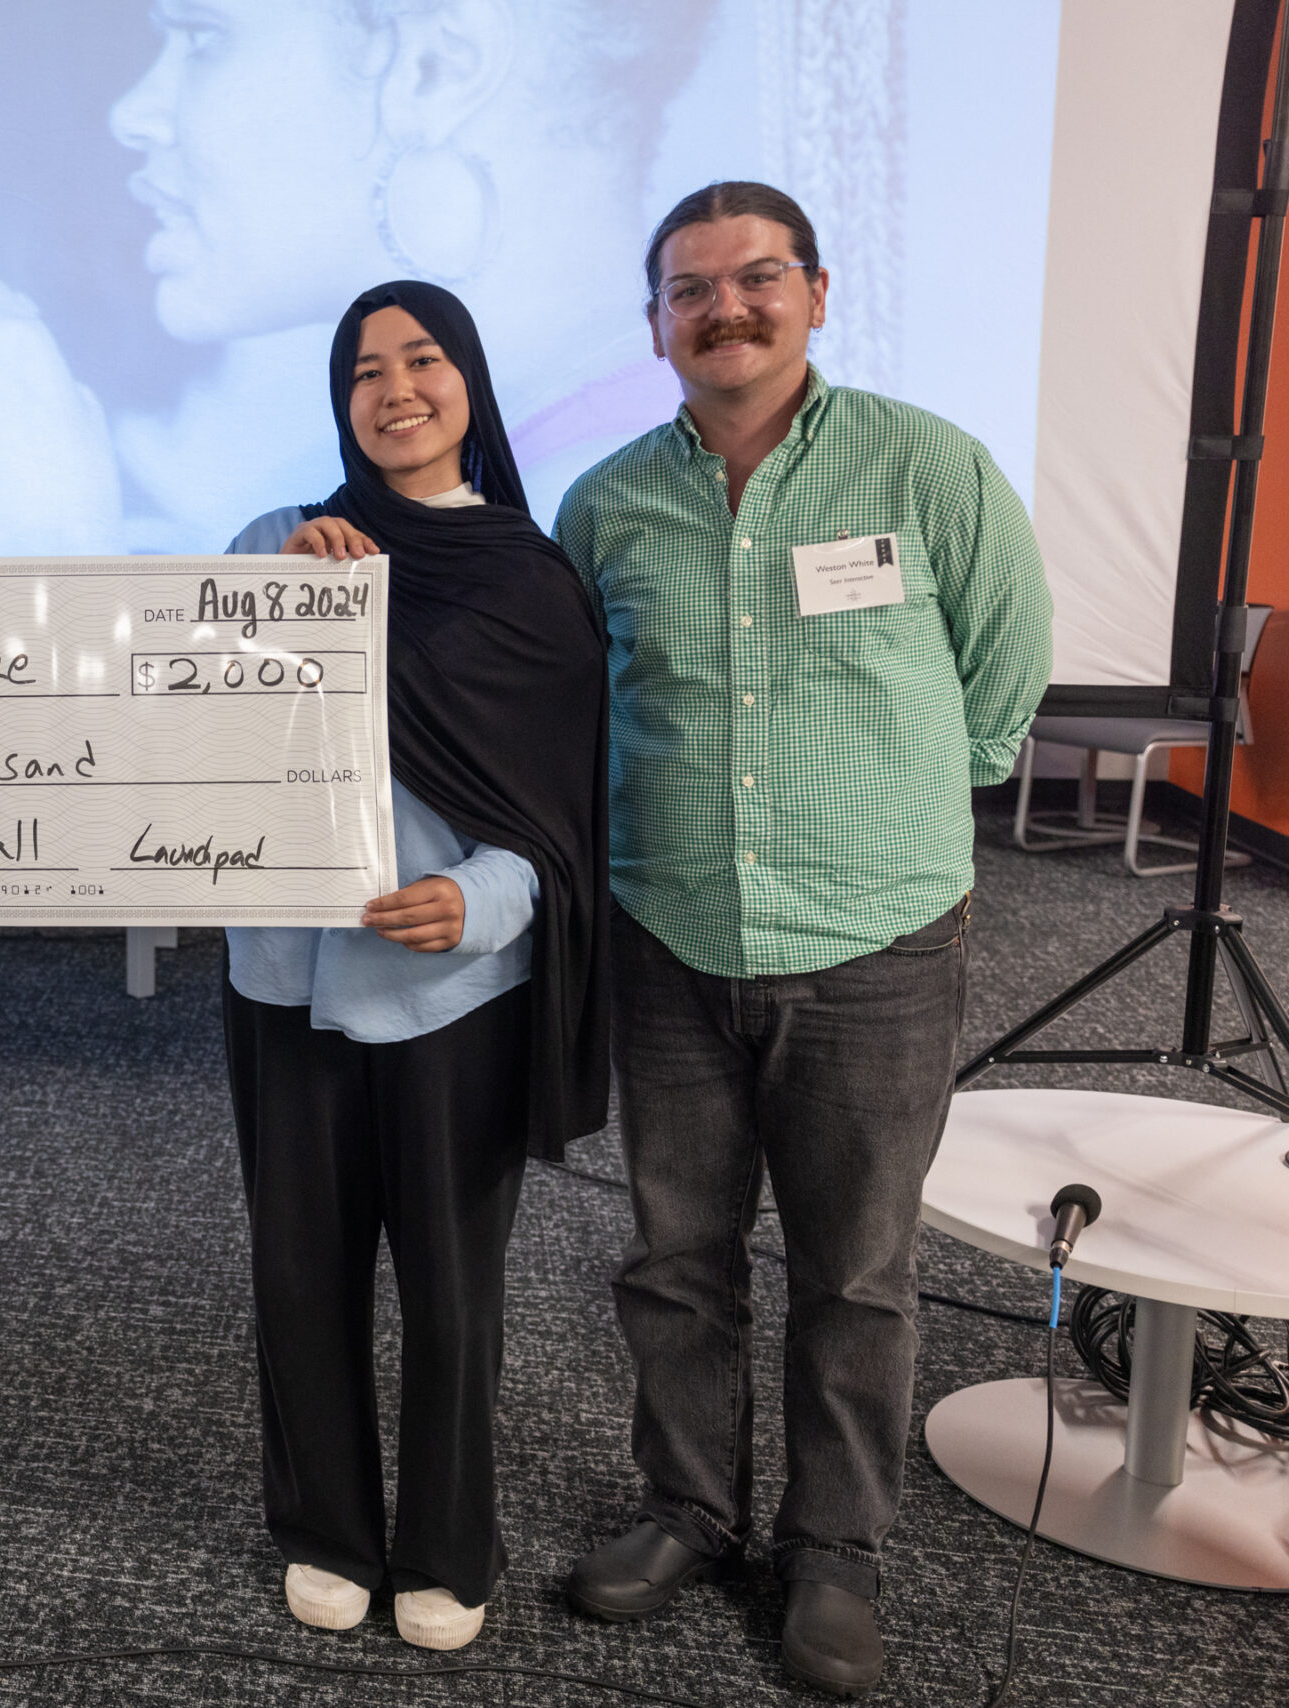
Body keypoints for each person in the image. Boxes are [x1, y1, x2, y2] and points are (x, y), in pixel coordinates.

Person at [553, 183, 1053, 1697]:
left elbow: (1003, 680)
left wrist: (892, 829)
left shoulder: (929, 466)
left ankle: (835, 1549)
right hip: (671, 934)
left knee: (859, 1272)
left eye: (757, 279)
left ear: (817, 295)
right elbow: (575, 707)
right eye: (691, 290)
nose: (727, 309)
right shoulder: (606, 505)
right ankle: (690, 1511)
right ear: (655, 327)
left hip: (878, 944)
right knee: (676, 1258)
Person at [222, 279, 610, 1648]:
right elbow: (199, 725)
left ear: (470, 384)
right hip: (284, 983)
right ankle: (324, 1527)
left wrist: (484, 897)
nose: (395, 390)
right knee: (300, 1269)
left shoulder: (529, 576)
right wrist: (286, 596)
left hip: (453, 992)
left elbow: (565, 810)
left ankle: (449, 1545)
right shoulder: (279, 538)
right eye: (363, 371)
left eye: (423, 360)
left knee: (453, 1285)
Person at [0, 0, 723, 556]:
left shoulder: (629, 517)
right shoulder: (336, 496)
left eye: (200, 37)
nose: (134, 111)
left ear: (434, 66)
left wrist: (49, 549)